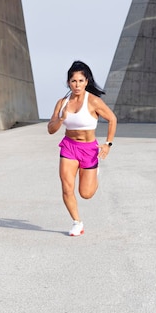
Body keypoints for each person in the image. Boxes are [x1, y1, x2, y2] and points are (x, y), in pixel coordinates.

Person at [48, 60, 117, 236]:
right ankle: (77, 223)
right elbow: (50, 129)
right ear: (68, 82)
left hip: (89, 149)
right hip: (69, 147)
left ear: (86, 81)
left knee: (86, 193)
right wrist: (61, 119)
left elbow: (112, 119)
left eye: (80, 81)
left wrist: (108, 144)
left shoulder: (93, 101)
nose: (77, 85)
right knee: (66, 186)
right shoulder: (62, 103)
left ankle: (95, 173)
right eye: (73, 81)